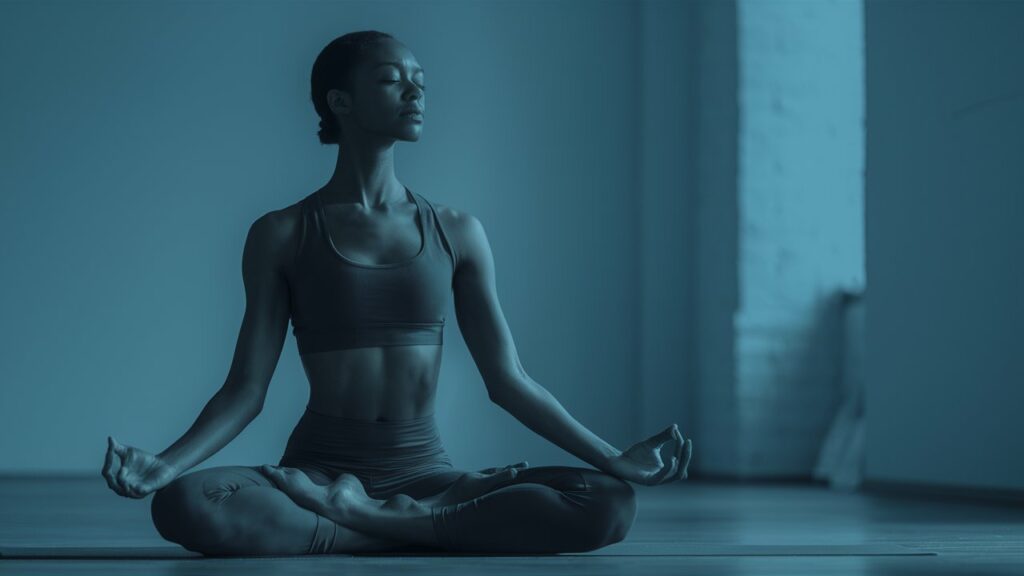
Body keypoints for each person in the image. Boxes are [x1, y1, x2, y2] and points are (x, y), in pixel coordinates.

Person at [100, 30, 692, 557]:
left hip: (427, 474)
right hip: (318, 471)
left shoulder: (457, 231)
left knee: (608, 502)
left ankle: (359, 522)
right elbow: (246, 390)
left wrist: (611, 458)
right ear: (340, 102)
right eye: (391, 80)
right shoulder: (281, 233)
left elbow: (508, 381)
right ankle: (417, 528)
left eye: (420, 82)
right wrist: (166, 465)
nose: (415, 93)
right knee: (187, 503)